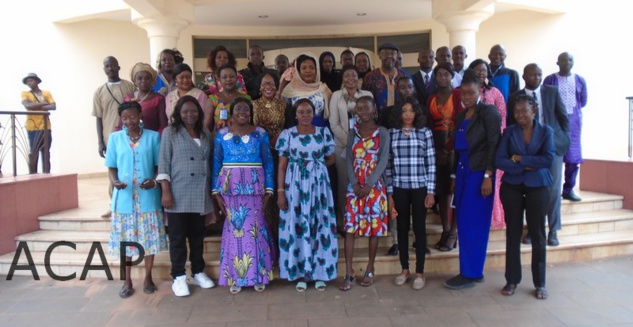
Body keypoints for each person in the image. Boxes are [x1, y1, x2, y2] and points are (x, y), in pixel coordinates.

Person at [444, 71, 501, 290]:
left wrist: (488, 175)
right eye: (463, 93)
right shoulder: (461, 116)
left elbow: (494, 144)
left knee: (473, 223)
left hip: (479, 172)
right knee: (464, 220)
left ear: (480, 91)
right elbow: (456, 150)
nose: (466, 96)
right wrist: (453, 176)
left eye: (471, 93)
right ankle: (472, 270)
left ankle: (471, 273)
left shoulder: (489, 112)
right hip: (462, 171)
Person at [212, 98, 275, 294]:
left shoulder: (260, 134)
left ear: (251, 112)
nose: (242, 112)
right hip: (230, 189)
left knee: (254, 231)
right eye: (238, 108)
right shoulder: (221, 135)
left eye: (246, 109)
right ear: (231, 112)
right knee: (234, 231)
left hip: (255, 188)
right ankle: (235, 277)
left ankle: (259, 275)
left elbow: (268, 162)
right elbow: (216, 163)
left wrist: (269, 191)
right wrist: (216, 192)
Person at [495, 94, 555, 300]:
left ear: (534, 111)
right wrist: (527, 164)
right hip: (512, 186)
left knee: (538, 234)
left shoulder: (546, 131)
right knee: (513, 233)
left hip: (538, 186)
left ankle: (540, 283)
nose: (520, 114)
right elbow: (500, 160)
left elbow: (548, 159)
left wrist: (520, 158)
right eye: (516, 111)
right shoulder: (509, 132)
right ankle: (512, 280)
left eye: (524, 110)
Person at [106, 101, 167, 298]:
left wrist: (155, 181)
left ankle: (148, 276)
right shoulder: (115, 138)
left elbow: (159, 165)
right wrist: (114, 181)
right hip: (124, 199)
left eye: (132, 116)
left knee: (149, 240)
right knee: (126, 241)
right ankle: (127, 280)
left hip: (147, 197)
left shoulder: (153, 137)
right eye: (125, 118)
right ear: (120, 119)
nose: (129, 121)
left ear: (140, 115)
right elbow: (111, 166)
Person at [276, 99, 338, 292]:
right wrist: (280, 192)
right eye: (301, 112)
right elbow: (282, 166)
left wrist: (314, 168)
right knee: (298, 225)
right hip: (294, 187)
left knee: (319, 224)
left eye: (308, 112)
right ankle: (301, 273)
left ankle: (320, 273)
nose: (305, 115)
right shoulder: (287, 134)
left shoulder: (323, 133)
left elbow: (331, 158)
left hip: (319, 188)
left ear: (314, 113)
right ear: (295, 114)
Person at [157, 95, 216, 297]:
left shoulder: (206, 133)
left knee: (198, 237)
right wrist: (166, 190)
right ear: (178, 114)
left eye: (193, 111)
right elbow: (164, 163)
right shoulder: (170, 133)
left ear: (199, 112)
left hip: (200, 192)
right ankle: (179, 276)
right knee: (177, 238)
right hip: (178, 192)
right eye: (185, 111)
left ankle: (198, 271)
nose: (190, 115)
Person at [508, 63, 569, 247]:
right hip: (528, 151)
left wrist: (563, 140)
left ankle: (553, 231)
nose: (537, 77)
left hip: (552, 148)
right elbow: (512, 124)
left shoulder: (551, 92)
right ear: (524, 76)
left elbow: (563, 118)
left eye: (539, 74)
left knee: (553, 190)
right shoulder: (515, 98)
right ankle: (534, 230)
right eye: (533, 74)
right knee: (532, 191)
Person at [339, 96, 389, 291]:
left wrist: (369, 184)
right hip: (354, 188)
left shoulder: (383, 132)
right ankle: (349, 270)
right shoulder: (353, 133)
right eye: (359, 109)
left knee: (373, 229)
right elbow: (349, 159)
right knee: (350, 229)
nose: (363, 112)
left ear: (374, 109)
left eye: (366, 108)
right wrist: (355, 183)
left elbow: (383, 159)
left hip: (374, 187)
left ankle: (370, 268)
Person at [387, 96, 436, 290]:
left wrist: (431, 191)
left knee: (419, 229)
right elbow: (388, 165)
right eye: (404, 111)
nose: (407, 114)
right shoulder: (392, 133)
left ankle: (420, 272)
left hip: (420, 187)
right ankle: (404, 269)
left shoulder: (425, 133)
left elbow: (431, 164)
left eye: (411, 111)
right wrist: (390, 192)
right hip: (399, 187)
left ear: (417, 113)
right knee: (401, 227)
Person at [328, 65, 373, 235]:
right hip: (342, 148)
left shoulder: (367, 95)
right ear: (342, 78)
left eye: (354, 75)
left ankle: (362, 219)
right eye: (347, 75)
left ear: (358, 78)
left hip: (366, 148)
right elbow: (333, 123)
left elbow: (372, 119)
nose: (350, 78)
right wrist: (350, 142)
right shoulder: (336, 96)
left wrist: (361, 144)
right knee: (344, 185)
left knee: (363, 183)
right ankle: (343, 221)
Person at [426, 63, 464, 252]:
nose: (442, 78)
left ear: (451, 76)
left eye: (446, 74)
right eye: (439, 74)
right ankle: (445, 229)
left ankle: (454, 232)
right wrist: (436, 149)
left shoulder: (457, 95)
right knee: (441, 191)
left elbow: (462, 120)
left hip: (456, 148)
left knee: (455, 190)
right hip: (436, 149)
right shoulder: (431, 97)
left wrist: (451, 148)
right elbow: (429, 124)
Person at [93, 56, 136, 218]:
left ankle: (132, 203)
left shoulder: (129, 86)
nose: (110, 68)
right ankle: (114, 205)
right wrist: (100, 142)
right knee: (113, 170)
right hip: (110, 136)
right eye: (107, 66)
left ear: (118, 67)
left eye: (113, 65)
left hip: (132, 134)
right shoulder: (99, 91)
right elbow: (98, 117)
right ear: (104, 69)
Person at [543, 52, 588, 202]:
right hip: (554, 122)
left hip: (574, 123)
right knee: (553, 154)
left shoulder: (580, 80)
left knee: (573, 158)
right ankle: (549, 188)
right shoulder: (550, 79)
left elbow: (583, 101)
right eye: (563, 60)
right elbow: (545, 99)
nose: (567, 62)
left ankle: (568, 189)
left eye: (570, 60)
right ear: (558, 62)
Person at [469, 59, 507, 229]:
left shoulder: (495, 93)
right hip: (473, 146)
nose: (481, 73)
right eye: (477, 70)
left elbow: (502, 117)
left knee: (492, 179)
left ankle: (494, 217)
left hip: (493, 143)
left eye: (484, 70)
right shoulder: (467, 93)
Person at [253, 72, 286, 240]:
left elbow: (286, 128)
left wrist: (276, 138)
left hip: (279, 153)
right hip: (258, 155)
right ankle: (264, 240)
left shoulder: (283, 105)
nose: (269, 87)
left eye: (272, 84)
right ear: (260, 87)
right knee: (264, 194)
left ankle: (278, 238)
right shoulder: (252, 105)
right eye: (265, 84)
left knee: (277, 195)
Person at [280, 53, 332, 128]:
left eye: (312, 68)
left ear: (316, 70)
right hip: (296, 132)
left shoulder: (323, 89)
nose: (308, 71)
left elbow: (332, 114)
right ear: (298, 71)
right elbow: (284, 116)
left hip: (321, 131)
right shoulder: (289, 90)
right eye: (304, 68)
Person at [21, 73, 55, 174]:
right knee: (34, 152)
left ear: (36, 81)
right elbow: (27, 106)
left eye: (31, 80)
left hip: (46, 127)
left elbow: (53, 106)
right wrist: (44, 104)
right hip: (32, 127)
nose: (29, 83)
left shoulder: (46, 93)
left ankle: (46, 174)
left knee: (46, 152)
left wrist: (35, 106)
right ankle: (33, 175)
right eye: (27, 82)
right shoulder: (25, 93)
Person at [362, 43, 410, 114]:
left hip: (401, 119)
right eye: (385, 53)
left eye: (393, 53)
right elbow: (364, 100)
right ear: (380, 56)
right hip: (378, 121)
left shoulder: (404, 76)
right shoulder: (370, 77)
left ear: (396, 56)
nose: (389, 56)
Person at [121, 63, 168, 133]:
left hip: (152, 140)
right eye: (139, 78)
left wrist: (156, 139)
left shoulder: (158, 99)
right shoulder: (127, 99)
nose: (143, 81)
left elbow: (163, 125)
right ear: (135, 81)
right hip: (130, 140)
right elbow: (121, 123)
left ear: (152, 80)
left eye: (147, 78)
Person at [165, 63, 213, 130]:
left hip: (194, 133)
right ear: (175, 79)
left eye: (188, 77)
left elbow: (204, 119)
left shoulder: (200, 95)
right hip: (172, 133)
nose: (185, 80)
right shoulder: (169, 96)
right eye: (181, 77)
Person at [211, 65, 251, 131]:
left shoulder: (247, 99)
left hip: (244, 139)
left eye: (232, 76)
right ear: (219, 80)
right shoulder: (213, 100)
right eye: (224, 77)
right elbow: (206, 126)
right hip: (219, 139)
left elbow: (252, 122)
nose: (228, 79)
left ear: (237, 78)